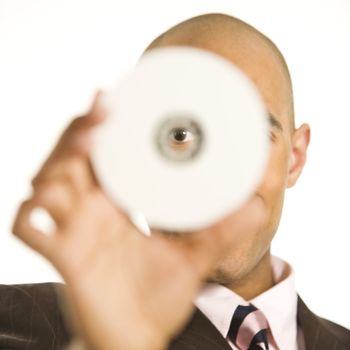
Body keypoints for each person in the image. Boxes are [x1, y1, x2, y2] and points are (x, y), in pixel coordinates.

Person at [2, 13, 350, 350]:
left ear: (295, 157)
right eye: (180, 135)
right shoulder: (15, 321)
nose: (220, 178)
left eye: (250, 136)